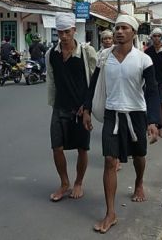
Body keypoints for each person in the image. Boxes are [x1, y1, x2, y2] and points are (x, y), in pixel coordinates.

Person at [82, 15, 160, 234]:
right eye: (117, 28)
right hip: (111, 113)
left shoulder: (143, 59)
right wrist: (86, 109)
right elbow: (94, 85)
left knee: (139, 155)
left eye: (124, 28)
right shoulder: (104, 57)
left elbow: (152, 91)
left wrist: (153, 120)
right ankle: (110, 213)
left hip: (136, 114)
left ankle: (139, 183)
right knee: (109, 160)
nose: (119, 32)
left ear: (133, 33)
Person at [46, 12, 97, 202]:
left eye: (67, 32)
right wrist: (53, 104)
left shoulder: (86, 53)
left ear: (74, 30)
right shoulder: (51, 54)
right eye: (60, 32)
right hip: (59, 107)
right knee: (56, 147)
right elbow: (51, 81)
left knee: (82, 148)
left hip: (81, 109)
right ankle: (64, 182)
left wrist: (88, 109)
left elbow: (93, 83)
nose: (64, 36)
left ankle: (78, 182)